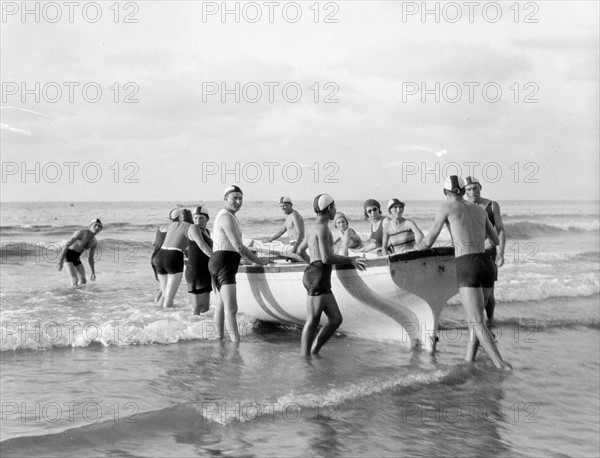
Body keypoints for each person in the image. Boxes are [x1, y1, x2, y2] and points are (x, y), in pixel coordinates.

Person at [419, 176, 510, 370]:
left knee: (476, 321)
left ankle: (501, 365)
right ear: (462, 190)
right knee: (478, 321)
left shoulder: (446, 207)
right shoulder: (478, 209)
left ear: (445, 192)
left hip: (467, 264)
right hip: (486, 263)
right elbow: (494, 239)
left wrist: (415, 249)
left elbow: (428, 241)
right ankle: (469, 360)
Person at [297, 194, 368, 356]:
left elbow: (299, 251)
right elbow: (326, 258)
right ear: (329, 208)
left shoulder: (312, 228)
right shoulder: (322, 229)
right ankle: (305, 358)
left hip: (316, 275)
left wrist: (311, 264)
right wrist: (351, 259)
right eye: (334, 207)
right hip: (318, 277)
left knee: (336, 319)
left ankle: (313, 351)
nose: (335, 211)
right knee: (312, 321)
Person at [209, 185, 270, 342]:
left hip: (219, 261)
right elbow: (238, 246)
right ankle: (236, 343)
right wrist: (257, 260)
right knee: (231, 308)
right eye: (234, 198)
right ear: (225, 199)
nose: (238, 201)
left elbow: (232, 246)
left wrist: (243, 256)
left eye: (240, 198)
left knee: (221, 306)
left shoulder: (227, 215)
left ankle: (219, 339)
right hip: (224, 264)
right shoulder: (226, 217)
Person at [464, 176, 506, 323]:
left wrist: (500, 252)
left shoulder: (492, 205)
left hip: (489, 251)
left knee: (489, 293)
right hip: (469, 253)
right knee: (471, 290)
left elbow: (500, 229)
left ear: (480, 188)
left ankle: (490, 320)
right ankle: (477, 324)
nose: (473, 191)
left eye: (475, 188)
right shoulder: (463, 206)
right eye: (469, 189)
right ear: (464, 191)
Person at [154, 209, 213, 309]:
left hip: (159, 256)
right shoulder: (191, 227)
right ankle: (166, 321)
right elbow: (202, 245)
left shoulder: (172, 225)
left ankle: (156, 315)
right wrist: (214, 257)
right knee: (169, 298)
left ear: (180, 218)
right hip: (173, 256)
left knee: (164, 293)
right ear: (191, 218)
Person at [57, 219, 103, 285]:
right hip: (67, 254)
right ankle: (69, 294)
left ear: (101, 229)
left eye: (99, 226)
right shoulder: (81, 233)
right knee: (74, 279)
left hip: (76, 257)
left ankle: (78, 294)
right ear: (90, 226)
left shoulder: (94, 242)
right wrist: (61, 260)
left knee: (83, 281)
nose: (97, 227)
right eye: (95, 225)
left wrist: (93, 273)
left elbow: (91, 258)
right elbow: (66, 245)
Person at [186, 206, 213, 315]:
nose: (197, 221)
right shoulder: (193, 228)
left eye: (201, 218)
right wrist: (216, 258)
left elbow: (210, 248)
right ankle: (190, 329)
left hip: (206, 270)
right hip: (195, 270)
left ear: (207, 219)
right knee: (197, 307)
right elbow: (202, 245)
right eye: (195, 218)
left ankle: (201, 329)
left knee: (206, 307)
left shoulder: (207, 231)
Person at [151, 209, 180, 302]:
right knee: (165, 290)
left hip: (154, 257)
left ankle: (156, 305)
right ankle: (163, 311)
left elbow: (155, 243)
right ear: (179, 218)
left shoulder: (161, 226)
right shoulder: (174, 227)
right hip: (165, 257)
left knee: (162, 287)